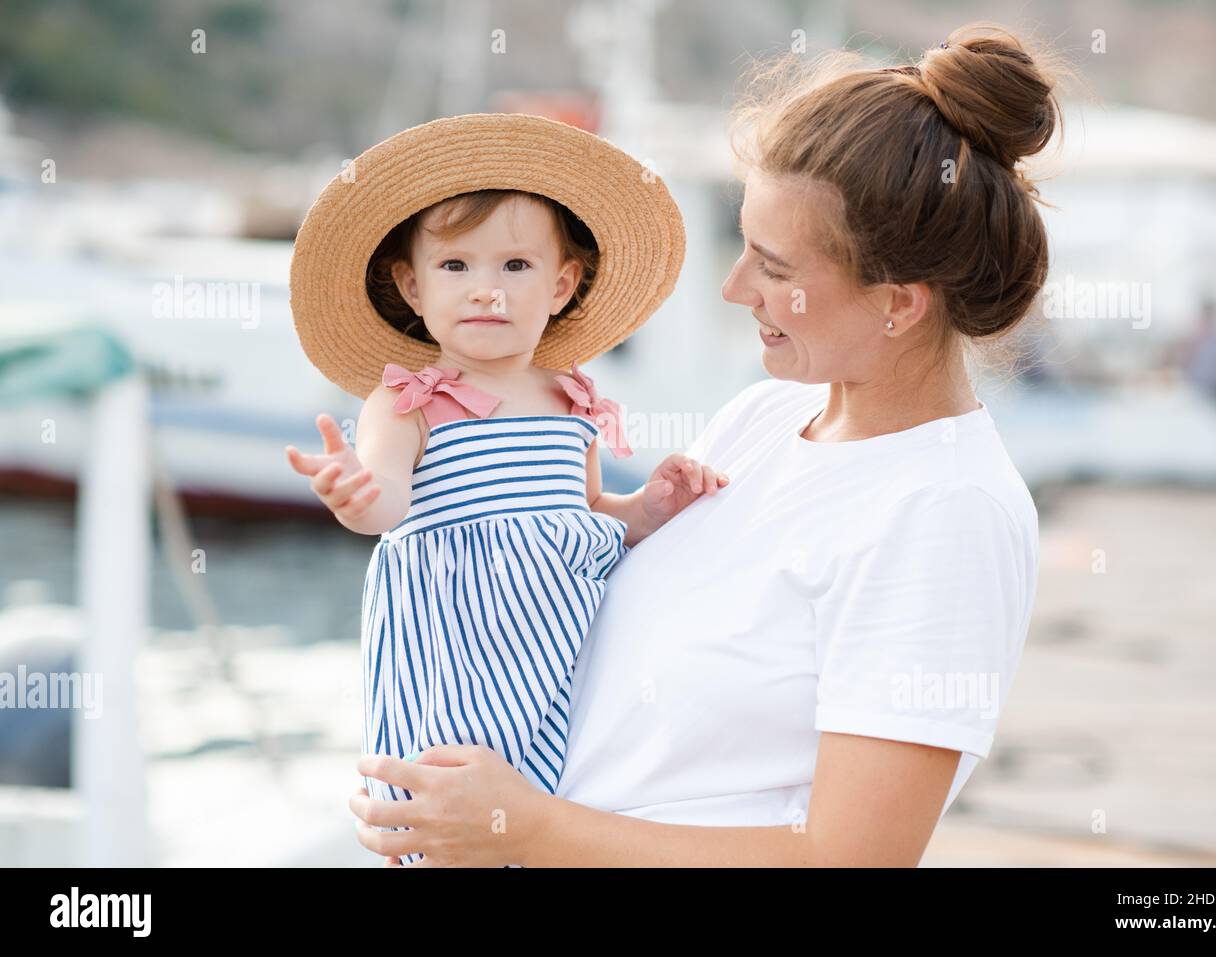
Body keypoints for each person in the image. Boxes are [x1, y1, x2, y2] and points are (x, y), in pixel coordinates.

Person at [349, 23, 1054, 867]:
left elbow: (851, 857)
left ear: (899, 304)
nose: (734, 288)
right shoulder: (761, 419)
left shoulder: (946, 513)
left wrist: (527, 826)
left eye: (776, 269)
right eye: (743, 246)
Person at [284, 114, 726, 864]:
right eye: (456, 267)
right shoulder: (410, 399)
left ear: (562, 284)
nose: (485, 291)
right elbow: (389, 498)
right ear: (411, 285)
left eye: (515, 266)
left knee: (555, 795)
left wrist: (649, 508)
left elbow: (587, 514)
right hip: (460, 639)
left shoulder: (569, 396)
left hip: (556, 639)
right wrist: (355, 490)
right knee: (457, 797)